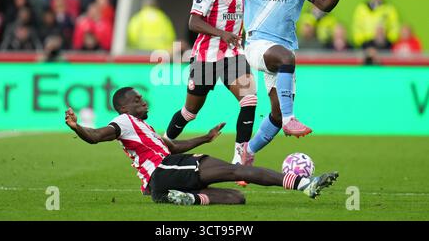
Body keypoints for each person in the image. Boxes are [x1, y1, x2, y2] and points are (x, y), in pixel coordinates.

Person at [186, 0, 349, 164]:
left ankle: (247, 153)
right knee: (285, 61)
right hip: (257, 44)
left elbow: (324, 4)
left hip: (282, 50)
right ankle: (290, 119)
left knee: (276, 112)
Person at [64, 87, 339, 205]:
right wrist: (77, 128)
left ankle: (185, 198)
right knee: (236, 170)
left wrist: (205, 138)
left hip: (164, 179)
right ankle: (304, 185)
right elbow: (98, 135)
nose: (144, 102)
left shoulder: (143, 128)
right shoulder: (123, 121)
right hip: (161, 172)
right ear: (124, 106)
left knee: (236, 198)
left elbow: (172, 147)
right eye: (138, 100)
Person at [165, 0, 257, 186]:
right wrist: (221, 33)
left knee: (249, 100)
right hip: (206, 56)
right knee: (189, 113)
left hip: (234, 54)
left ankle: (239, 158)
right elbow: (193, 22)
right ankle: (163, 144)